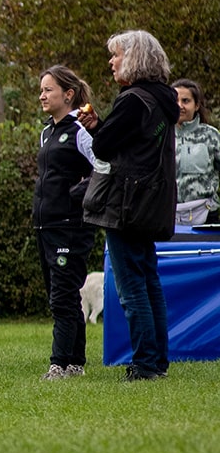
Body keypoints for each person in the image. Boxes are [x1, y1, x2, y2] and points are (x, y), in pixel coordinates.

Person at [79, 30, 179, 381]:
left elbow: (106, 148)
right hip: (153, 201)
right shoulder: (164, 99)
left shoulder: (133, 99)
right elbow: (131, 144)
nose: (111, 61)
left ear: (134, 58)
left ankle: (144, 364)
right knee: (149, 281)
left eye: (117, 55)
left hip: (127, 203)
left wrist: (96, 130)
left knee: (131, 286)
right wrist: (102, 128)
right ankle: (158, 362)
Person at [32, 65, 96, 380]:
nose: (42, 95)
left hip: (72, 226)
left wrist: (77, 194)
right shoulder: (47, 131)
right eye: (42, 90)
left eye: (48, 90)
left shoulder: (81, 131)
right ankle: (75, 363)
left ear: (68, 94)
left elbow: (105, 167)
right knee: (62, 295)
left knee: (63, 295)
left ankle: (58, 364)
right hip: (45, 226)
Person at [172, 78, 220, 225]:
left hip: (206, 214)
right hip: (167, 217)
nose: (180, 106)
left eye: (185, 101)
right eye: (175, 100)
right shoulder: (160, 135)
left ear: (197, 105)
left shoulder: (211, 136)